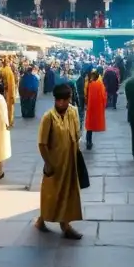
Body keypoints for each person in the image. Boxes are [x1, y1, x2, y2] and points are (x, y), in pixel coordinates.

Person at [36, 83, 84, 239]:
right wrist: (48, 163)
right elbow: (42, 143)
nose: (62, 103)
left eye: (65, 100)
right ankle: (42, 219)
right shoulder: (48, 117)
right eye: (59, 100)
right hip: (54, 163)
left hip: (70, 161)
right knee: (52, 194)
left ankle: (65, 224)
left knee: (68, 194)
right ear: (55, 100)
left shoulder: (74, 112)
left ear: (69, 99)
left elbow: (77, 133)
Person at [85, 69, 107, 150]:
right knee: (90, 125)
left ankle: (88, 141)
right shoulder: (100, 84)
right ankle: (89, 142)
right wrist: (103, 106)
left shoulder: (88, 83)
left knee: (89, 126)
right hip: (96, 107)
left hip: (89, 107)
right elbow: (103, 96)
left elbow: (85, 94)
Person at [0, 59, 16, 128]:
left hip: (3, 92)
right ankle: (8, 123)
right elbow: (11, 85)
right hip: (8, 93)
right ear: (8, 63)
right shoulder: (9, 71)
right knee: (9, 109)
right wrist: (12, 96)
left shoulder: (2, 70)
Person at [76, 66, 92, 131]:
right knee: (82, 110)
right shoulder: (84, 80)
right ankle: (80, 125)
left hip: (81, 96)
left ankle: (80, 125)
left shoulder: (80, 79)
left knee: (81, 110)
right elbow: (84, 89)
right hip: (82, 96)